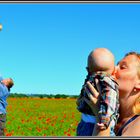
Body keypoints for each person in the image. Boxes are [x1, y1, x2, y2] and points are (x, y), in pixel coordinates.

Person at [83, 51, 140, 136]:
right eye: (116, 64)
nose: (114, 69)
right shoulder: (116, 118)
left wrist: (101, 114)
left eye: (123, 67)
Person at [76, 48, 119, 136]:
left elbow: (82, 95)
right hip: (100, 125)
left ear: (88, 70)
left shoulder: (89, 79)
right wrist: (104, 120)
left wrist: (80, 105)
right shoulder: (108, 82)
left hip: (84, 123)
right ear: (114, 71)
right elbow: (110, 102)